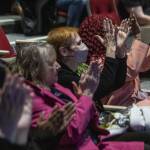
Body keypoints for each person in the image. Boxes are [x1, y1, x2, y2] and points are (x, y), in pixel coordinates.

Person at [17, 42, 145, 150]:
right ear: (35, 69)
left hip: (97, 136)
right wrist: (87, 95)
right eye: (51, 63)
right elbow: (72, 133)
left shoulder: (56, 86)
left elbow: (91, 115)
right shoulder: (31, 99)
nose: (58, 65)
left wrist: (83, 99)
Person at [48, 19, 129, 104]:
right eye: (79, 43)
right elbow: (100, 89)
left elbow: (116, 83)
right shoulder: (62, 77)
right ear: (64, 51)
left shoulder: (80, 67)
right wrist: (110, 51)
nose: (85, 46)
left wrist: (120, 54)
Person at [79, 13, 150, 106]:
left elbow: (142, 65)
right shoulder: (97, 62)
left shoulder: (113, 54)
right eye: (112, 30)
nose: (118, 31)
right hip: (120, 108)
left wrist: (138, 35)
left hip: (136, 100)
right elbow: (131, 70)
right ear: (102, 35)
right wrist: (142, 36)